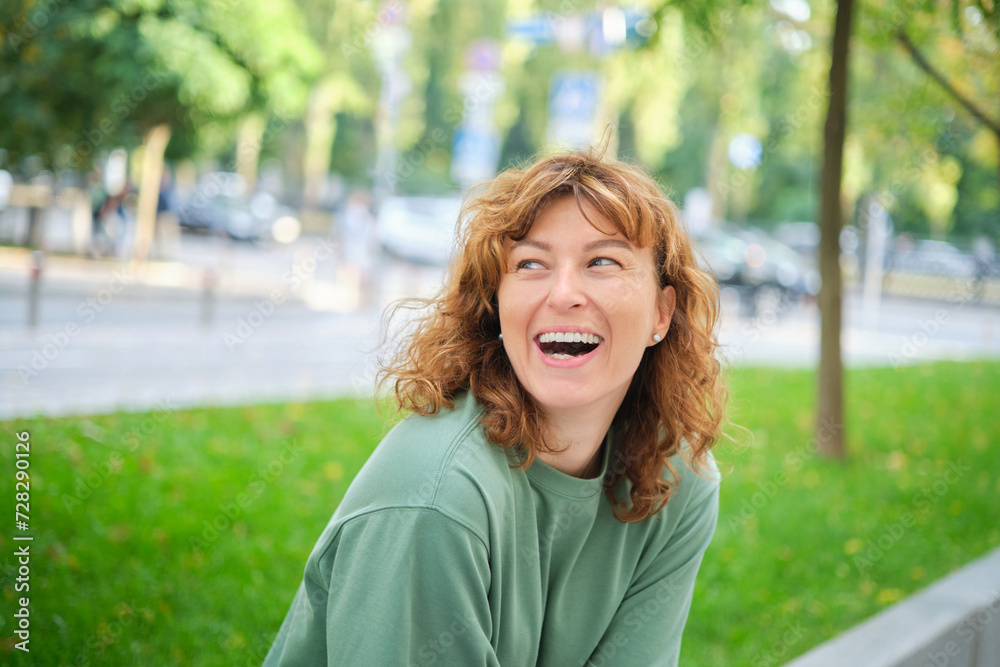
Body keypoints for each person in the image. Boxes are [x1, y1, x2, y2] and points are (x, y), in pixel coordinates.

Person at [264, 151, 727, 666]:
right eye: (531, 263)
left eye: (602, 261)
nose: (564, 293)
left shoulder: (677, 479)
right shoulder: (434, 500)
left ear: (662, 313)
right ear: (497, 304)